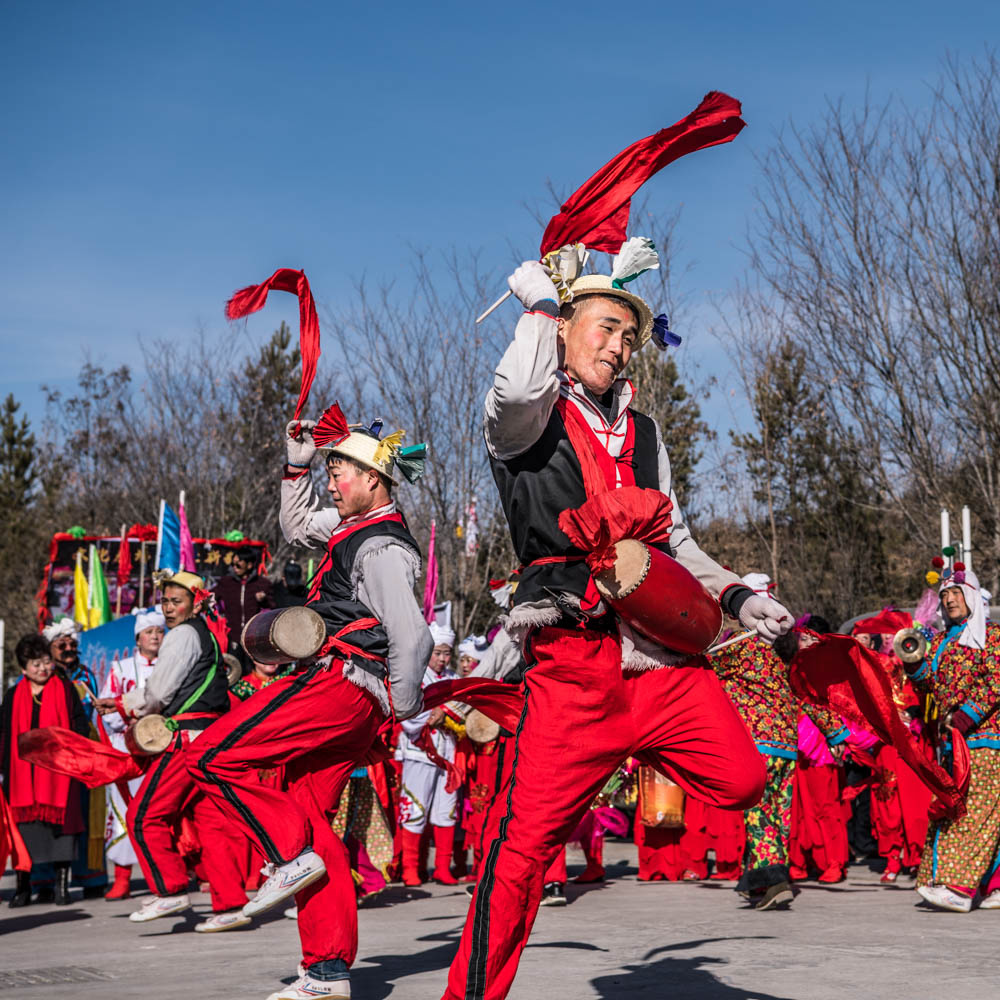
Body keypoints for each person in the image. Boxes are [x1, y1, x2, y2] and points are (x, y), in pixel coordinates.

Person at [443, 251, 792, 1000]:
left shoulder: (649, 435)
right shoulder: (524, 419)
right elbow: (514, 391)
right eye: (605, 327)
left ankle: (640, 763)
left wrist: (736, 598)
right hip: (574, 668)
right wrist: (535, 309)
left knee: (745, 776)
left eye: (629, 336)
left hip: (664, 669)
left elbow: (676, 544)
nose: (618, 345)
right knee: (522, 852)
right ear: (566, 328)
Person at [188, 412, 432, 1000]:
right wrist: (297, 463)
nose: (332, 481)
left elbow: (414, 635)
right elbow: (297, 526)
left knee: (211, 757)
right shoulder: (351, 528)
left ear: (375, 477)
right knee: (310, 818)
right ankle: (327, 973)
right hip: (351, 695)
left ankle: (286, 853)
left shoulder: (380, 546)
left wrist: (397, 707)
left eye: (339, 469)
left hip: (342, 686)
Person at [93, 571, 251, 932]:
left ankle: (170, 888)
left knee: (142, 816)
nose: (168, 607)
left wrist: (124, 706)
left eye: (176, 600)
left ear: (195, 602)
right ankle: (230, 904)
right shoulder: (207, 635)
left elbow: (159, 693)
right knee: (211, 824)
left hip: (185, 740)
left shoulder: (182, 635)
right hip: (211, 740)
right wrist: (120, 703)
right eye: (165, 600)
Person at [909, 565, 1000, 912]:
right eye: (944, 596)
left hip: (986, 738)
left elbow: (996, 679)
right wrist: (914, 666)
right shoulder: (944, 641)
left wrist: (969, 715)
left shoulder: (991, 635)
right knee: (971, 810)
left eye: (955, 594)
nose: (948, 600)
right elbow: (929, 685)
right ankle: (994, 885)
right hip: (952, 740)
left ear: (973, 597)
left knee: (973, 812)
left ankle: (959, 887)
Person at [0, 634, 89, 907]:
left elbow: (79, 724)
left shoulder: (64, 688)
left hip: (59, 771)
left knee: (62, 830)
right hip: (22, 773)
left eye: (46, 662)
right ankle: (23, 888)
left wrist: (73, 751)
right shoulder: (14, 694)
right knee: (24, 833)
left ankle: (61, 886)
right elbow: (4, 734)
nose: (42, 669)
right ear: (24, 669)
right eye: (35, 664)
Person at [98, 609, 166, 900]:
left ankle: (161, 876)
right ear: (138, 637)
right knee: (123, 811)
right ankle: (123, 878)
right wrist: (129, 719)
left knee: (160, 810)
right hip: (126, 749)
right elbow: (105, 708)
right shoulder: (121, 668)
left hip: (162, 748)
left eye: (160, 632)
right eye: (149, 632)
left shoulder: (170, 665)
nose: (155, 636)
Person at [42, 616, 108, 898]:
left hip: (82, 755)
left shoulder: (86, 675)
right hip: (50, 758)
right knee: (48, 818)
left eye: (71, 643)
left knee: (85, 815)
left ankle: (90, 876)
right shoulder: (42, 676)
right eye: (61, 644)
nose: (68, 648)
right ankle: (43, 881)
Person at [397, 622, 460, 887]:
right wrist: (435, 715)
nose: (443, 659)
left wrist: (447, 714)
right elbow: (406, 711)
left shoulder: (455, 679)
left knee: (446, 810)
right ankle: (409, 868)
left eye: (447, 653)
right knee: (414, 808)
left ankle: (442, 867)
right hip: (419, 753)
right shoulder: (415, 676)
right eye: (438, 653)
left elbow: (464, 710)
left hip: (448, 754)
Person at [213, 546, 274, 655]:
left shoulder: (262, 584)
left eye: (238, 565)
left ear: (249, 565)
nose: (234, 568)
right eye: (233, 564)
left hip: (254, 636)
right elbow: (211, 597)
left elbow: (273, 606)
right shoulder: (226, 583)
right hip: (232, 636)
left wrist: (263, 600)